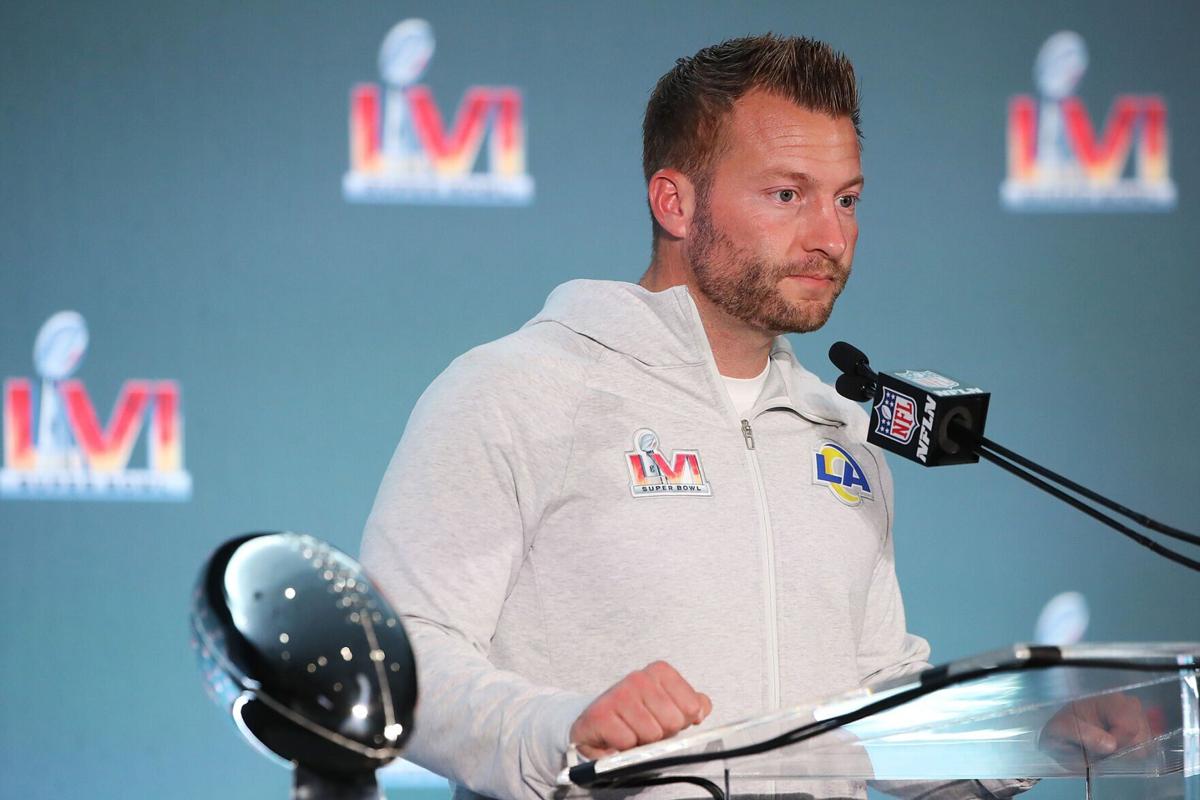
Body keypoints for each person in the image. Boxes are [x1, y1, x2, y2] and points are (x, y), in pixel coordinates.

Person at [361, 34, 1036, 800]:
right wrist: (562, 727)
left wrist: (1035, 737)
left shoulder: (839, 431)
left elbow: (873, 697)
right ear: (675, 202)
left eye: (846, 198)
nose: (831, 236)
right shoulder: (514, 390)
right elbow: (395, 659)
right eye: (788, 195)